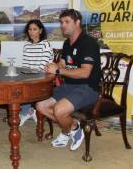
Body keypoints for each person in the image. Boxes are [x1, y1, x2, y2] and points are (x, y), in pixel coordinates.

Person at [36, 9, 101, 151]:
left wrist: (58, 70)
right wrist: (54, 66)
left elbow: (85, 73)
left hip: (88, 88)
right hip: (69, 85)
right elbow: (63, 64)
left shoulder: (89, 43)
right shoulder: (67, 44)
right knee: (40, 105)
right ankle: (73, 127)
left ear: (78, 22)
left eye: (67, 22)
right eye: (61, 22)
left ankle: (67, 130)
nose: (63, 25)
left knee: (59, 110)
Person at [19, 19, 53, 127]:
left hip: (43, 77)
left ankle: (26, 113)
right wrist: (24, 75)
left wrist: (29, 76)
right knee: (17, 83)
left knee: (26, 86)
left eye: (35, 29)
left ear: (40, 30)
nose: (32, 32)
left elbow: (43, 66)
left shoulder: (45, 44)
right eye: (30, 29)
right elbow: (25, 65)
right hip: (30, 76)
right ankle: (28, 111)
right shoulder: (26, 45)